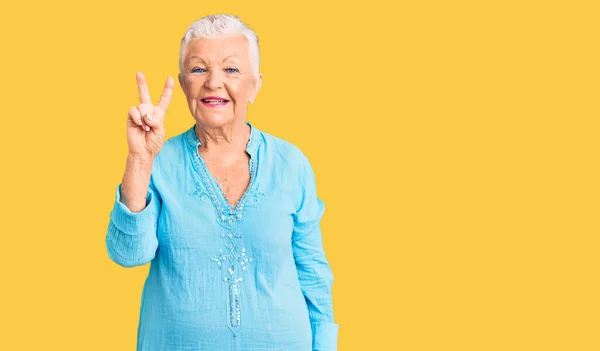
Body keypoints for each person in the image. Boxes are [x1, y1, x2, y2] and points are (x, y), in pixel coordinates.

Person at [106, 14, 338, 351]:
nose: (214, 83)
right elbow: (129, 254)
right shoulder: (158, 162)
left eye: (231, 70)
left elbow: (313, 273)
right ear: (184, 83)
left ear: (255, 85)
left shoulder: (291, 164)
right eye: (199, 69)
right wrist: (140, 161)